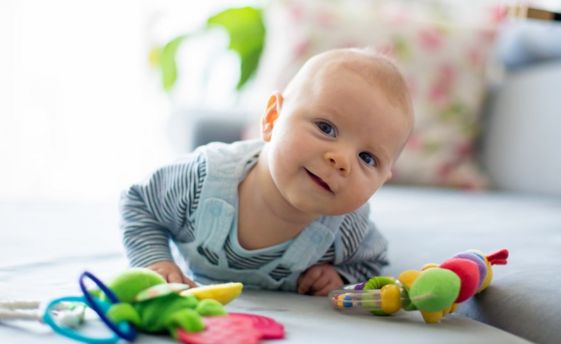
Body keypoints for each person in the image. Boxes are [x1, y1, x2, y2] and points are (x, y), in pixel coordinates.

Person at [120, 48, 414, 296]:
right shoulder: (202, 179)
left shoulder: (347, 229)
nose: (341, 160)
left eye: (367, 157)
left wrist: (339, 276)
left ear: (383, 179)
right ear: (273, 118)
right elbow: (140, 204)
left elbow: (373, 262)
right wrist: (155, 261)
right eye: (326, 128)